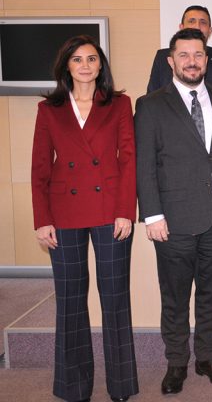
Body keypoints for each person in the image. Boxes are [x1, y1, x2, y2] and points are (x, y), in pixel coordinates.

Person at [31, 35, 138, 402]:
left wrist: (125, 211)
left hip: (110, 210)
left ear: (100, 65)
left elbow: (128, 160)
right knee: (70, 301)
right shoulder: (49, 109)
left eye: (92, 59)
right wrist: (42, 218)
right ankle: (74, 387)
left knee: (115, 299)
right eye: (77, 59)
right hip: (64, 212)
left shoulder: (119, 104)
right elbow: (40, 167)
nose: (85, 65)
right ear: (67, 66)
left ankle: (121, 386)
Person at [135, 28, 212, 395]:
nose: (191, 62)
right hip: (172, 220)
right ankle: (176, 362)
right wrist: (152, 215)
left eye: (197, 55)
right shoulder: (150, 104)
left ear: (207, 60)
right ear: (171, 61)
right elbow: (145, 164)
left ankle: (207, 357)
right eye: (184, 55)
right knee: (175, 297)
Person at [146, 5, 212, 97]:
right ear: (181, 27)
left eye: (203, 22)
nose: (197, 27)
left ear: (210, 30)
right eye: (191, 21)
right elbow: (152, 97)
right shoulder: (163, 56)